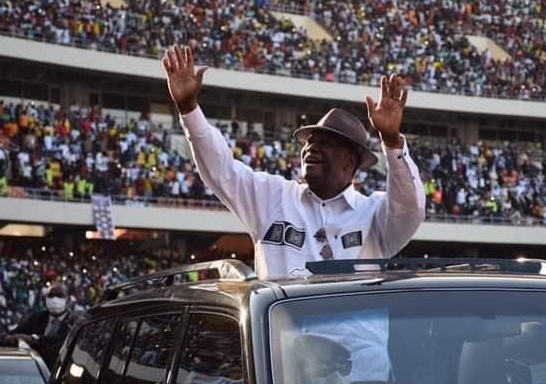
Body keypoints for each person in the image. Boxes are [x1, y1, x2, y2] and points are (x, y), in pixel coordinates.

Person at [162, 44, 425, 279]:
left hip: (353, 336)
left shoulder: (375, 214)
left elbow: (410, 208)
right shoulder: (273, 197)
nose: (311, 147)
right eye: (309, 141)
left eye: (324, 143)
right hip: (284, 335)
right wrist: (188, 108)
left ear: (349, 161)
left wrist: (391, 141)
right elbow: (221, 170)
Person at [4, 284, 80, 369]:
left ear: (68, 299)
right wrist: (11, 339)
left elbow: (64, 341)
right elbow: (14, 334)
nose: (54, 300)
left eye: (59, 296)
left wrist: (35, 340)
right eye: (50, 296)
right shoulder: (36, 318)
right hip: (32, 369)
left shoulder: (75, 321)